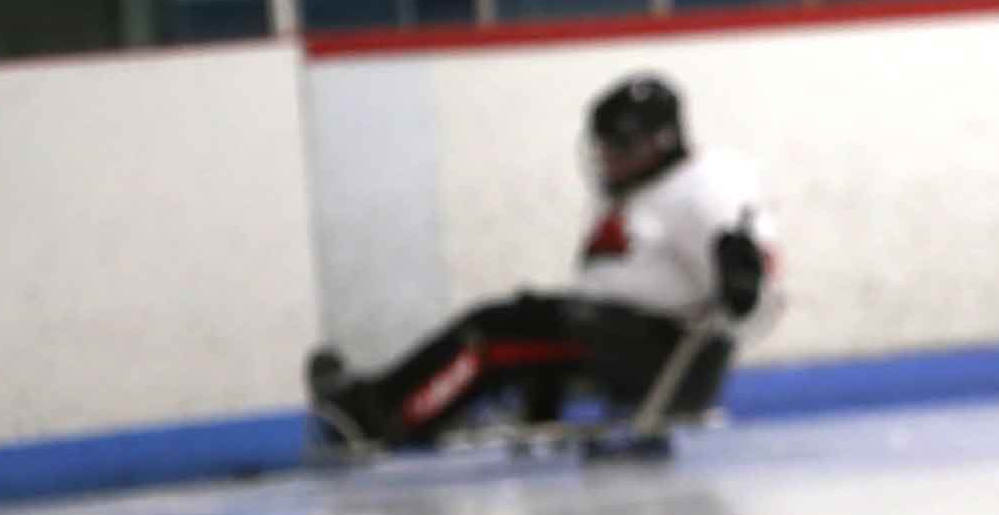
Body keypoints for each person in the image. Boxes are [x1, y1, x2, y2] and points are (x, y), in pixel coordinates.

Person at [307, 72, 778, 451]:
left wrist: (738, 272)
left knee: (489, 339)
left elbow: (739, 261)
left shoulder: (705, 185)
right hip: (610, 332)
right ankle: (387, 401)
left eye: (617, 147)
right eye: (602, 146)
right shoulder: (644, 189)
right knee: (511, 319)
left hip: (649, 347)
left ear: (659, 142)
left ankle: (378, 417)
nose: (605, 158)